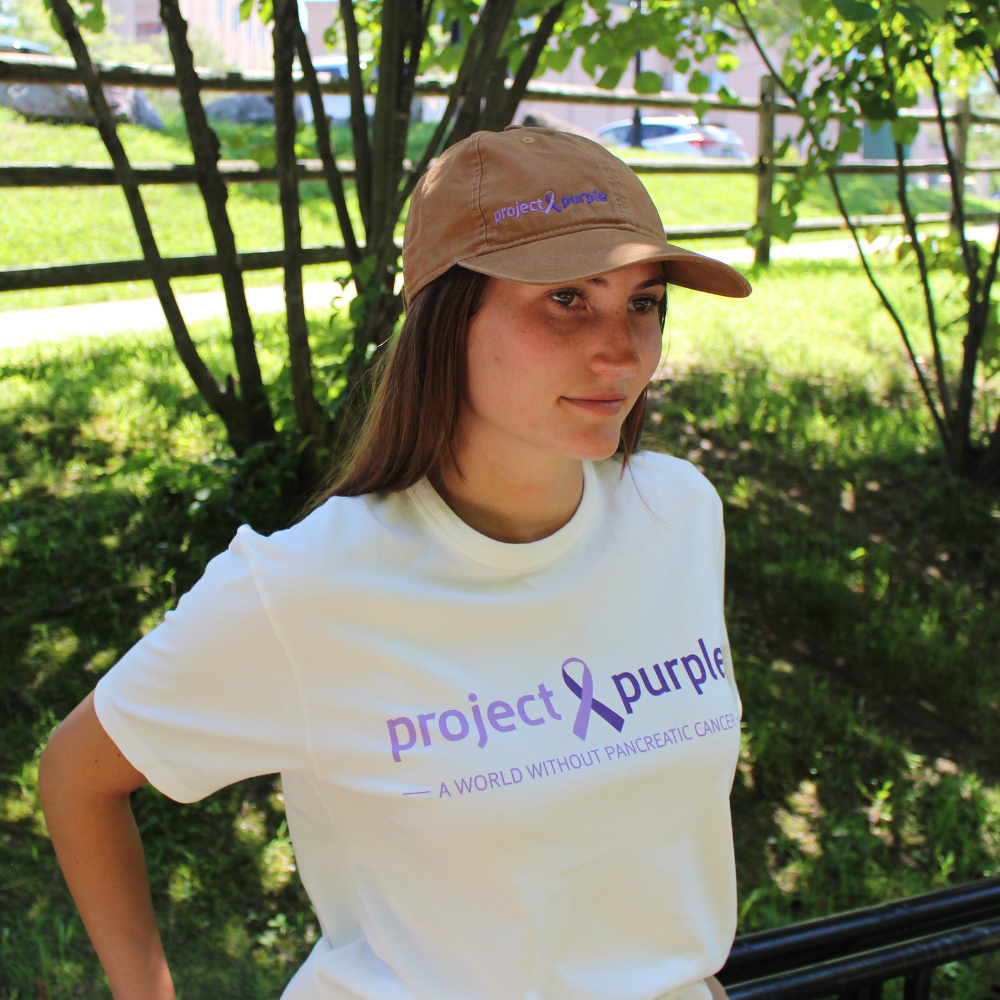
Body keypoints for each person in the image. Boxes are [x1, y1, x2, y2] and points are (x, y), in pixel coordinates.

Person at [39, 126, 752, 1000]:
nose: (623, 348)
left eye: (644, 302)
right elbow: (78, 777)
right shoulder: (306, 591)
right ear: (448, 320)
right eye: (568, 297)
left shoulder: (677, 512)